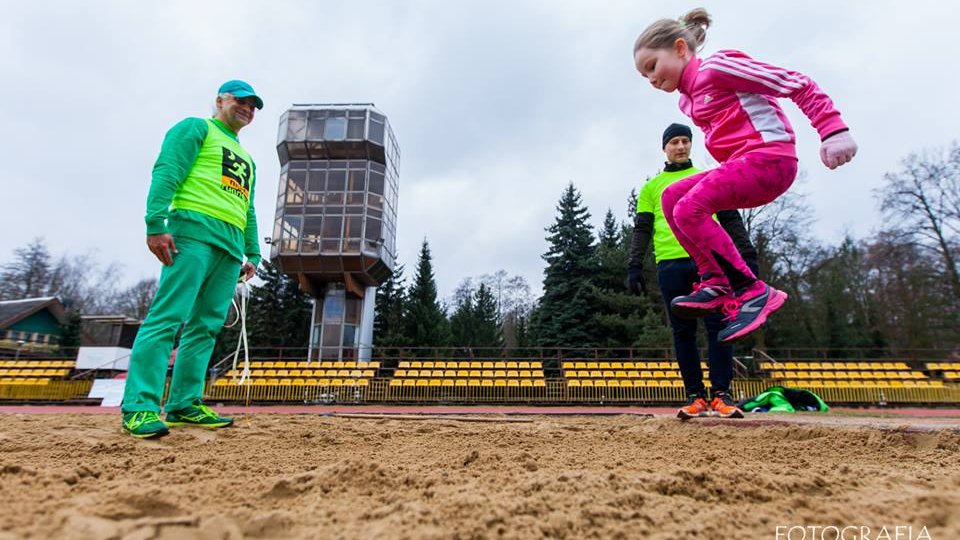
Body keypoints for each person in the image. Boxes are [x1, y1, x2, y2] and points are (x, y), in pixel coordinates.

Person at [632, 8, 857, 345]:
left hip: (770, 158)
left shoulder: (717, 67)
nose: (650, 79)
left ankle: (752, 289)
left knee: (688, 207)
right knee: (672, 197)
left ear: (680, 49)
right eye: (644, 76)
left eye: (652, 66)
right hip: (742, 166)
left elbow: (795, 83)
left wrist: (832, 129)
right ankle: (716, 281)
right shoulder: (687, 102)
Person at [120, 80, 263, 438]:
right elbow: (167, 170)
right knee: (168, 316)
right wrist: (156, 222)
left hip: (229, 248)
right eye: (240, 101)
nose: (247, 108)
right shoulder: (196, 128)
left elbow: (248, 207)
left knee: (206, 326)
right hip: (193, 233)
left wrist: (253, 252)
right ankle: (140, 407)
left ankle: (184, 403)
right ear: (220, 100)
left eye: (253, 105)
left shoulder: (247, 159)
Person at [628, 123, 757, 419]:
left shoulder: (708, 177)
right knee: (682, 331)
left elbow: (729, 217)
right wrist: (635, 264)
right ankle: (695, 397)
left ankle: (721, 395)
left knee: (720, 327)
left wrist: (746, 253)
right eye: (674, 141)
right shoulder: (650, 188)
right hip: (671, 265)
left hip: (711, 263)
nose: (681, 146)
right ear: (664, 148)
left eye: (686, 140)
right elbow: (642, 228)